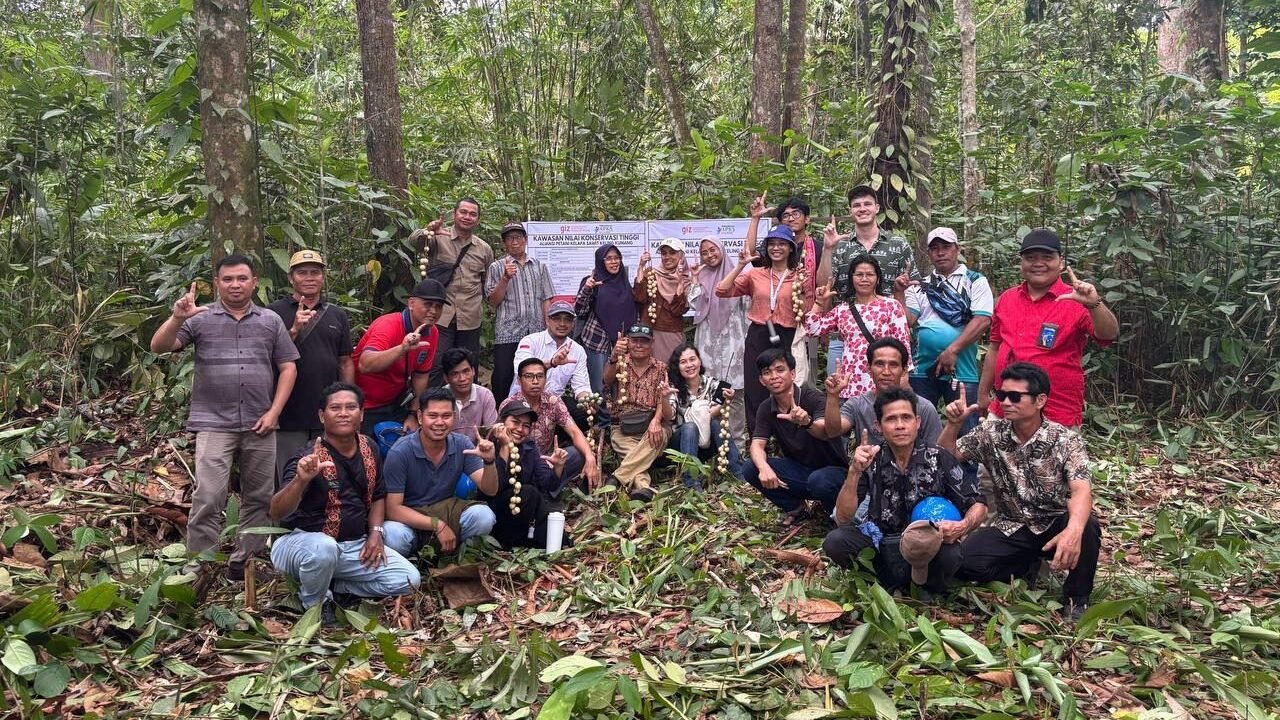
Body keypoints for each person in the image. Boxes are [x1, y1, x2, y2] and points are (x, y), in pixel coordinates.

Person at [149, 254, 299, 580]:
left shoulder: (270, 320)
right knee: (209, 495)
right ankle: (200, 565)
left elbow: (288, 366)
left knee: (259, 496)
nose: (235, 285)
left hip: (261, 423)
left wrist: (274, 412)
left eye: (242, 278)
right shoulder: (200, 318)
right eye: (228, 279)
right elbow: (159, 346)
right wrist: (177, 317)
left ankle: (247, 562)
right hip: (213, 423)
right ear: (217, 283)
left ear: (254, 281)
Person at [941, 362, 1102, 620]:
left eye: (1015, 397)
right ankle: (1023, 566)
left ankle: (1076, 599)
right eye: (1001, 395)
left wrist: (1073, 531)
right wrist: (952, 425)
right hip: (1012, 525)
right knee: (964, 564)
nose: (1005, 402)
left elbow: (1081, 490)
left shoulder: (1066, 440)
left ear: (1040, 400)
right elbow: (946, 459)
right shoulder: (990, 433)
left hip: (1053, 523)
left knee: (1088, 528)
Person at [269, 383, 420, 626]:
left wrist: (375, 534)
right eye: (335, 408)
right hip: (302, 546)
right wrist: (301, 479)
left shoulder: (369, 447)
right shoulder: (307, 457)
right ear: (322, 415)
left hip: (352, 546)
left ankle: (335, 585)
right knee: (324, 548)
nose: (343, 413)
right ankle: (314, 603)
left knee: (409, 579)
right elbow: (276, 511)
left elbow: (378, 495)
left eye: (351, 407)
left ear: (361, 414)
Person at [821, 387, 986, 596]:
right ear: (878, 426)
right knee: (835, 541)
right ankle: (886, 583)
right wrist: (854, 472)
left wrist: (962, 526)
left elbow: (977, 503)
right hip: (882, 542)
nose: (900, 425)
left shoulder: (938, 457)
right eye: (891, 419)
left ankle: (926, 588)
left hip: (928, 545)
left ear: (917, 422)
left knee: (950, 554)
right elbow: (844, 518)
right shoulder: (871, 459)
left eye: (906, 418)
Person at [978, 229, 1119, 428]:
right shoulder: (1007, 299)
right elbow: (995, 348)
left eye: (1047, 257)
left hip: (1055, 412)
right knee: (995, 458)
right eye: (1030, 257)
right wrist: (983, 393)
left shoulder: (1076, 299)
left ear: (1060, 263)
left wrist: (1094, 303)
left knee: (1051, 460)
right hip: (1005, 406)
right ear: (1022, 263)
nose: (1038, 263)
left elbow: (1108, 335)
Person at [267, 250, 354, 479]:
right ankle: (286, 516)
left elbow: (345, 361)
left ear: (323, 277)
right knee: (290, 475)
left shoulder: (336, 315)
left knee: (328, 475)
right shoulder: (273, 313)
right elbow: (265, 356)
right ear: (291, 278)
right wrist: (294, 330)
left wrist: (349, 399)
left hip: (327, 412)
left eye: (315, 272)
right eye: (302, 272)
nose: (309, 277)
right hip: (289, 413)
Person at [381, 389, 498, 557]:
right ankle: (413, 569)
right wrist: (437, 525)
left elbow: (490, 489)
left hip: (447, 511)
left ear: (454, 417)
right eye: (433, 416)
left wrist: (489, 461)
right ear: (420, 417)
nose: (440, 422)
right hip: (412, 518)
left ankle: (460, 560)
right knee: (392, 534)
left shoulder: (461, 443)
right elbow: (392, 509)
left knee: (483, 516)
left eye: (446, 416)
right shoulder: (400, 452)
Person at [716, 222, 808, 436]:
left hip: (786, 335)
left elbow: (808, 306)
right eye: (772, 244)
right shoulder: (755, 274)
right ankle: (758, 438)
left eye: (782, 244)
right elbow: (721, 291)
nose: (776, 248)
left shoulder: (799, 276)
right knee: (756, 387)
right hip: (759, 333)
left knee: (785, 386)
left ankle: (787, 437)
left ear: (791, 248)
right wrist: (740, 266)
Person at [817, 184, 919, 375]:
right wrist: (828, 249)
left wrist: (903, 296)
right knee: (840, 394)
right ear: (850, 211)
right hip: (844, 336)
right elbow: (823, 285)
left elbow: (913, 285)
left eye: (867, 204)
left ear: (877, 208)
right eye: (856, 205)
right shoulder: (841, 246)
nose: (862, 209)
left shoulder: (897, 244)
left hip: (887, 338)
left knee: (887, 399)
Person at [742, 348, 846, 526]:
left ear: (792, 373)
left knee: (819, 481)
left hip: (833, 473)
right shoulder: (766, 408)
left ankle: (837, 517)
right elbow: (757, 444)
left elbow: (826, 431)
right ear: (761, 380)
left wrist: (807, 422)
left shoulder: (813, 398)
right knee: (751, 467)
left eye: (780, 370)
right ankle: (797, 509)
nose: (774, 376)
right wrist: (763, 467)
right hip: (799, 472)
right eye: (767, 373)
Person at [904, 227, 993, 432]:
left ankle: (966, 466)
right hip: (922, 370)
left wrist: (952, 350)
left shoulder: (974, 280)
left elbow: (982, 320)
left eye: (946, 247)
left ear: (957, 249)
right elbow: (908, 321)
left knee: (965, 427)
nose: (940, 252)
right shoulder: (921, 285)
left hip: (962, 368)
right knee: (919, 426)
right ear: (929, 253)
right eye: (934, 248)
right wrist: (900, 292)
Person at [804, 255, 912, 399]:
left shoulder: (891, 306)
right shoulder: (843, 309)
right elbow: (812, 329)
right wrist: (819, 302)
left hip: (882, 383)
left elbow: (903, 347)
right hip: (850, 384)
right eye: (859, 274)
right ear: (851, 278)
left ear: (878, 278)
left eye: (870, 274)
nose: (864, 279)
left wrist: (903, 380)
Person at [415, 198, 495, 386]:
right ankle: (434, 409)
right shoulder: (438, 237)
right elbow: (415, 242)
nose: (467, 217)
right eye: (463, 212)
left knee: (468, 367)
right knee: (435, 365)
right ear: (455, 214)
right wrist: (428, 230)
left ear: (478, 219)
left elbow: (487, 283)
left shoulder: (484, 249)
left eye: (472, 214)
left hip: (470, 318)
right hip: (440, 316)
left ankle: (469, 409)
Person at [353, 278, 446, 433]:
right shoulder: (388, 325)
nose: (434, 311)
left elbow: (421, 376)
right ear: (411, 304)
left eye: (438, 306)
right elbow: (365, 364)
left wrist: (413, 413)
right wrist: (401, 349)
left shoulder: (432, 332)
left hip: (396, 403)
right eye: (428, 304)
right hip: (365, 405)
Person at [500, 358, 601, 492]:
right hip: (520, 459)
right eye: (529, 376)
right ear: (519, 380)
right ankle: (540, 489)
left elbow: (574, 432)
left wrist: (590, 457)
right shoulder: (509, 405)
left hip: (548, 460)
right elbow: (500, 441)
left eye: (540, 376)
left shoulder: (553, 402)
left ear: (545, 379)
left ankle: (549, 488)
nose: (535, 381)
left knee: (578, 454)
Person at [483, 401, 573, 550]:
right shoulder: (489, 446)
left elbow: (548, 483)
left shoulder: (530, 447)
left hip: (527, 513)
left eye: (526, 425)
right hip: (495, 514)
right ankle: (507, 545)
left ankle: (528, 540)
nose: (520, 429)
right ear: (502, 422)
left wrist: (558, 466)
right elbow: (495, 487)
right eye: (515, 422)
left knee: (560, 540)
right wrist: (505, 445)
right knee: (528, 493)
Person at [822, 338, 942, 447]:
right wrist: (833, 396)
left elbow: (937, 452)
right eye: (879, 364)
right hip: (868, 468)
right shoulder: (858, 404)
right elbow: (833, 431)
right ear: (868, 369)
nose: (886, 372)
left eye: (893, 365)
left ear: (904, 370)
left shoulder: (924, 408)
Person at [687, 236, 748, 448]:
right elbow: (694, 303)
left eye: (713, 250)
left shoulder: (738, 274)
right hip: (708, 342)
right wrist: (694, 279)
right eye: (705, 252)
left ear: (721, 249)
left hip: (734, 342)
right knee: (710, 394)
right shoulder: (701, 275)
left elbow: (748, 308)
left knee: (736, 396)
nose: (710, 255)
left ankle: (737, 448)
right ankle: (714, 448)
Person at [603, 325, 674, 502]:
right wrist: (613, 357)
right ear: (628, 342)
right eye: (635, 340)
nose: (639, 345)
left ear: (652, 344)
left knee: (651, 441)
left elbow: (663, 397)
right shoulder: (620, 363)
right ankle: (644, 488)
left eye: (644, 341)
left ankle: (616, 479)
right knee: (634, 452)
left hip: (652, 425)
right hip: (623, 426)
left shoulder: (660, 368)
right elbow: (606, 380)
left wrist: (657, 421)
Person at [485, 222, 554, 398]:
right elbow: (493, 301)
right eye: (509, 238)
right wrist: (505, 278)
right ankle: (502, 415)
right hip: (508, 332)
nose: (514, 242)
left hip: (536, 331)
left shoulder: (540, 266)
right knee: (503, 375)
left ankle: (533, 415)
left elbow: (547, 297)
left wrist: (547, 327)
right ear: (504, 243)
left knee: (535, 374)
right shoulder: (496, 267)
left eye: (518, 237)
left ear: (526, 240)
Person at [666, 343, 744, 490]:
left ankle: (738, 472)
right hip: (682, 445)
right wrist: (663, 399)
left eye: (692, 359)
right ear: (678, 366)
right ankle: (691, 481)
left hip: (707, 443)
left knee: (716, 424)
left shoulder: (713, 384)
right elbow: (669, 417)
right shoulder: (673, 387)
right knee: (690, 427)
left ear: (699, 361)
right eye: (683, 362)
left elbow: (715, 412)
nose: (689, 365)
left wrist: (726, 400)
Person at [574, 243, 636, 414]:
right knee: (599, 385)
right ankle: (601, 427)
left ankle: (618, 423)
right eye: (608, 258)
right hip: (597, 341)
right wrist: (587, 289)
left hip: (622, 342)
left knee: (621, 383)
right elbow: (579, 310)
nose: (613, 262)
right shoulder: (592, 281)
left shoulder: (624, 282)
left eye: (617, 258)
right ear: (601, 262)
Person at [511, 301, 591, 423]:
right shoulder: (530, 341)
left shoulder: (578, 350)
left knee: (585, 413)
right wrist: (552, 363)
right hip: (524, 399)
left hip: (554, 402)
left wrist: (586, 400)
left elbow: (581, 385)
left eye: (568, 320)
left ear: (573, 324)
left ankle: (560, 438)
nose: (562, 324)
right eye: (557, 319)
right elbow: (521, 369)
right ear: (547, 320)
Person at [633, 237, 691, 364]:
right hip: (648, 332)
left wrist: (680, 283)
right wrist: (641, 266)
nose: (667, 257)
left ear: (681, 256)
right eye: (664, 253)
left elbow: (678, 310)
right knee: (648, 371)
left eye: (672, 253)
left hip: (671, 332)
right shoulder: (652, 273)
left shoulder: (687, 279)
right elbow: (640, 297)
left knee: (671, 370)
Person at [441, 348, 497, 443]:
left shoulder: (485, 395)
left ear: (473, 371)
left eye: (466, 371)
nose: (462, 378)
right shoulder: (439, 398)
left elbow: (491, 432)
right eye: (455, 374)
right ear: (446, 378)